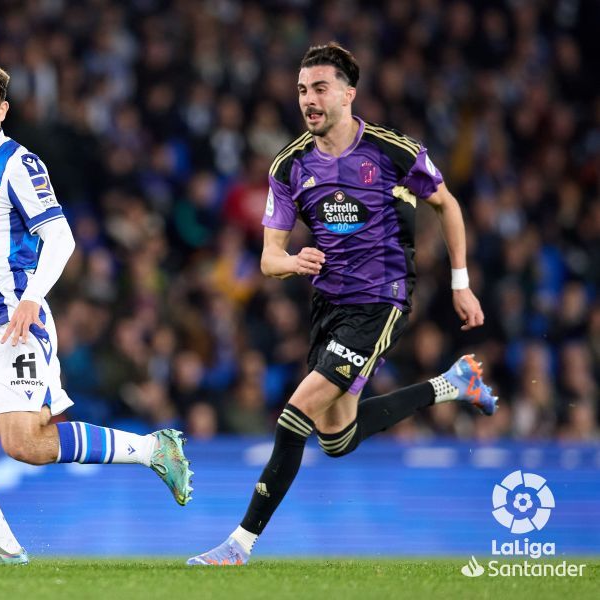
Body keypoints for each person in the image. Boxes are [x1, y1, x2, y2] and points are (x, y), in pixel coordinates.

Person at [187, 42, 497, 566]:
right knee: (337, 438)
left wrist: (460, 283)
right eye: (303, 90)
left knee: (295, 415)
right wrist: (294, 262)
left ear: (349, 94)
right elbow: (268, 259)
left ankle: (240, 544)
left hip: (382, 299)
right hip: (328, 307)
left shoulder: (392, 151)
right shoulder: (288, 167)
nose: (308, 99)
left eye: (320, 88)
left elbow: (447, 203)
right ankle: (452, 384)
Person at [0, 58, 193, 567]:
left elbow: (61, 237)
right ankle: (2, 547)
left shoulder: (19, 165)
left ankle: (153, 449)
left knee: (24, 444)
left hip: (16, 328)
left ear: (3, 110)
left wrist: (29, 298)